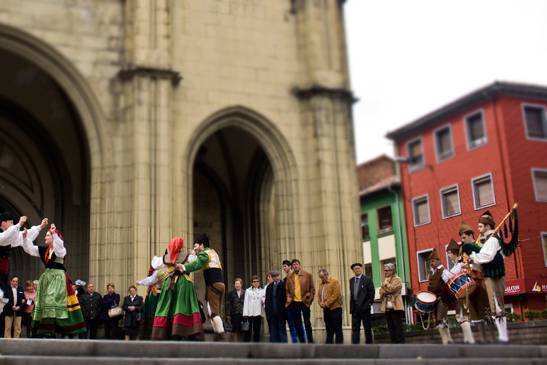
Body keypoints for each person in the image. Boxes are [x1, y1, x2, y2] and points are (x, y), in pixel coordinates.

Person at [20, 224, 86, 337]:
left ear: (53, 238)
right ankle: (46, 330)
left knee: (51, 301)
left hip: (58, 278)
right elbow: (30, 249)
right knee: (43, 302)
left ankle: (52, 328)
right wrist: (26, 238)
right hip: (47, 278)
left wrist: (54, 233)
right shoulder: (43, 250)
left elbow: (60, 247)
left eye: (47, 235)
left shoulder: (60, 250)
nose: (45, 237)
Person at [152, 237, 203, 340]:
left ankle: (163, 332)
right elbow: (198, 264)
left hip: (168, 283)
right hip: (183, 282)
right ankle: (181, 330)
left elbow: (155, 265)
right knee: (183, 305)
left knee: (166, 306)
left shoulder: (165, 257)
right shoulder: (188, 256)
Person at [469, 211, 509, 343]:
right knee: (495, 306)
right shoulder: (488, 240)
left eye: (480, 226)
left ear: (487, 226)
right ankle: (502, 336)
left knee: (497, 306)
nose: (478, 229)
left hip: (495, 275)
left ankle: (503, 337)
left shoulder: (492, 240)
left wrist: (473, 256)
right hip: (491, 275)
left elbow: (487, 257)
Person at [179, 234, 226, 340]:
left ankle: (221, 336)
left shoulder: (204, 254)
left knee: (213, 313)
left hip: (213, 285)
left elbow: (197, 264)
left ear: (201, 245)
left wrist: (183, 267)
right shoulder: (212, 252)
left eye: (196, 246)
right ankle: (217, 334)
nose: (194, 249)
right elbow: (200, 259)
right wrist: (194, 253)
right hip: (219, 284)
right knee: (211, 311)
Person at [458, 221, 493, 343]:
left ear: (470, 235)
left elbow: (485, 262)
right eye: (461, 238)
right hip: (471, 285)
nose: (462, 240)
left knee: (486, 313)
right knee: (476, 315)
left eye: (464, 237)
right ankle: (483, 340)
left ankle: (493, 339)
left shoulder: (479, 245)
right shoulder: (463, 252)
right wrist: (463, 266)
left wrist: (472, 264)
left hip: (481, 282)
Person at [427, 249, 454, 344]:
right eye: (430, 261)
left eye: (433, 261)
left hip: (442, 298)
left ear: (438, 260)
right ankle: (447, 340)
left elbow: (449, 284)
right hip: (434, 300)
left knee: (440, 319)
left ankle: (447, 340)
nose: (431, 263)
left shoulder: (443, 271)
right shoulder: (431, 273)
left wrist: (442, 296)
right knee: (440, 321)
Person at [285, 259, 315, 343]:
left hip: (304, 301)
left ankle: (310, 341)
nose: (295, 266)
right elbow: (287, 289)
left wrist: (309, 300)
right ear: (292, 266)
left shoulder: (307, 275)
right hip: (294, 302)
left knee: (307, 322)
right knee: (297, 323)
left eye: (296, 264)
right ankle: (302, 341)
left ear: (299, 265)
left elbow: (312, 289)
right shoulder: (289, 276)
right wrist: (288, 298)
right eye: (293, 265)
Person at [136, 256, 163, 340]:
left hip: (156, 295)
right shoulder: (167, 270)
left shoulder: (158, 272)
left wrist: (140, 282)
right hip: (163, 294)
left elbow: (150, 280)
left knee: (152, 313)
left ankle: (152, 333)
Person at [349, 262, 374, 344]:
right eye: (355, 269)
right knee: (355, 327)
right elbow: (352, 295)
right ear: (353, 270)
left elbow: (371, 292)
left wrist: (369, 303)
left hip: (364, 307)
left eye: (358, 268)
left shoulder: (367, 279)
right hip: (355, 308)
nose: (357, 270)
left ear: (361, 269)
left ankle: (369, 343)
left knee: (367, 326)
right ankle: (355, 344)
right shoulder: (351, 280)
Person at [380, 263, 405, 343]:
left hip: (396, 304)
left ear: (392, 270)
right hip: (387, 305)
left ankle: (400, 341)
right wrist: (385, 290)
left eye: (387, 270)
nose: (385, 272)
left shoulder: (397, 279)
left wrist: (386, 285)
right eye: (385, 270)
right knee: (390, 325)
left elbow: (392, 289)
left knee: (397, 324)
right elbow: (381, 292)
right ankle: (393, 341)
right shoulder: (386, 279)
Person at [318, 269, 343, 344]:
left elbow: (335, 295)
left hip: (335, 309)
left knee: (337, 329)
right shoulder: (321, 284)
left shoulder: (334, 282)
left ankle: (339, 346)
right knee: (329, 329)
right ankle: (329, 346)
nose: (321, 279)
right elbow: (319, 296)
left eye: (322, 277)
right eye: (320, 277)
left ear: (326, 275)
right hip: (326, 310)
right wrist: (320, 303)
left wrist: (326, 303)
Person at [264, 271, 287, 343]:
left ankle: (283, 348)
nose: (275, 278)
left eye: (277, 276)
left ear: (279, 276)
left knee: (282, 332)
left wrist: (285, 312)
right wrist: (268, 313)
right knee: (273, 333)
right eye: (274, 276)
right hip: (272, 314)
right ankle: (274, 349)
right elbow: (267, 301)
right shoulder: (269, 287)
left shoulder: (283, 285)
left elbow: (285, 299)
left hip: (281, 313)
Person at [242, 275, 265, 342]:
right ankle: (247, 343)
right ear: (252, 283)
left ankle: (256, 343)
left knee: (257, 329)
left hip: (258, 313)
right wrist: (245, 313)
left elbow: (264, 301)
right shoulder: (248, 290)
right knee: (248, 329)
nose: (256, 283)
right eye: (254, 282)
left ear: (259, 282)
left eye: (257, 281)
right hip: (250, 313)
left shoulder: (262, 291)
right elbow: (246, 302)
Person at [282, 259, 299, 343]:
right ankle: (295, 343)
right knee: (291, 325)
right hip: (288, 306)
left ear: (290, 266)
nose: (284, 268)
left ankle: (301, 343)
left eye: (285, 266)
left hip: (294, 304)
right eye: (283, 267)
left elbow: (294, 291)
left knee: (298, 325)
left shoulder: (295, 277)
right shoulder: (285, 279)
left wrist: (288, 301)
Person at [226, 277, 245, 342]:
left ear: (241, 284)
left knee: (243, 329)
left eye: (238, 283)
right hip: (234, 314)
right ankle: (235, 342)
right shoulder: (231, 293)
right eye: (236, 284)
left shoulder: (245, 292)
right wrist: (228, 315)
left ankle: (241, 342)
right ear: (234, 285)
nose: (237, 285)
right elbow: (228, 305)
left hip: (243, 313)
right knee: (234, 329)